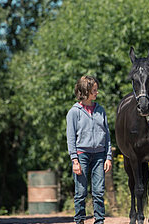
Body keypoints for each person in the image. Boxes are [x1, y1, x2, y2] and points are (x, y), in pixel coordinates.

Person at [66, 76, 112, 224]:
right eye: (94, 90)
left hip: (99, 155)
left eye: (96, 90)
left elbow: (107, 135)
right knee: (80, 192)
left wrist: (108, 157)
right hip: (82, 155)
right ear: (85, 91)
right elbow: (71, 138)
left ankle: (99, 221)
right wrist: (75, 160)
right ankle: (79, 220)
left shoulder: (101, 110)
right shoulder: (74, 112)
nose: (97, 93)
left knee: (98, 192)